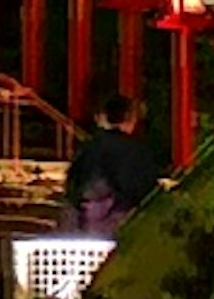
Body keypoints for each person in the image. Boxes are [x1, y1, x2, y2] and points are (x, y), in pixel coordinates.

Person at [61, 94, 164, 237]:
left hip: (90, 222)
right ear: (130, 119)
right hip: (125, 222)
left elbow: (73, 188)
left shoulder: (89, 148)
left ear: (103, 117)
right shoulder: (139, 151)